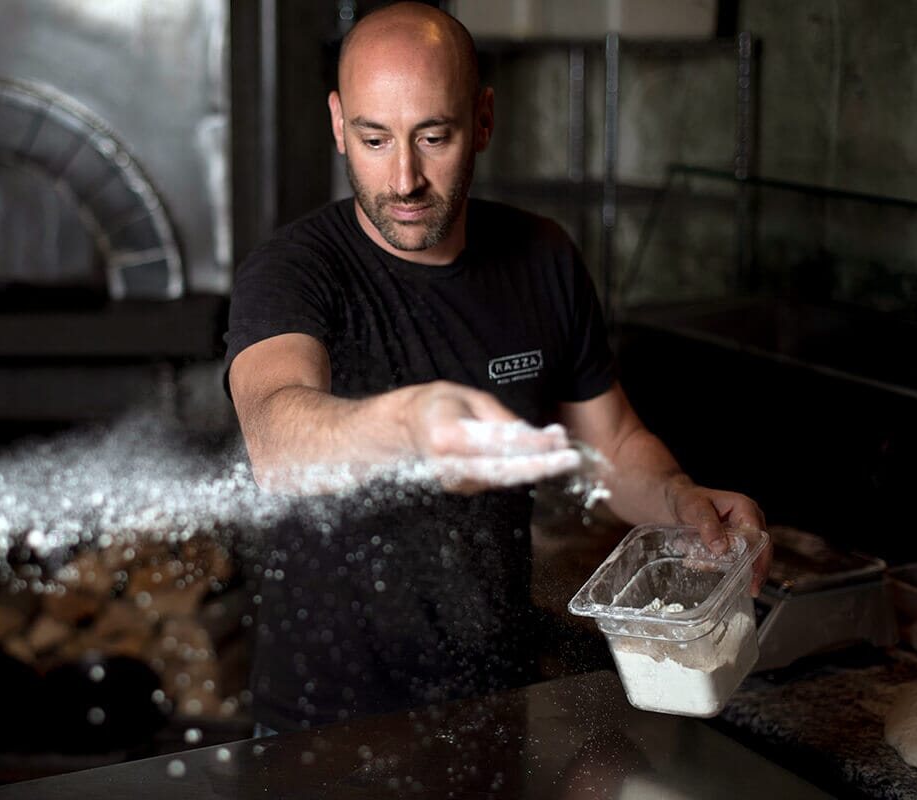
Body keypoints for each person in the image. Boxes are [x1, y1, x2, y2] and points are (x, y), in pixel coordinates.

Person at [224, 1, 770, 733]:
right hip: (328, 727)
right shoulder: (292, 273)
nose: (406, 178)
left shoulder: (542, 257)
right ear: (337, 125)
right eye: (374, 139)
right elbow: (276, 443)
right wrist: (413, 424)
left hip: (496, 704)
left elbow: (609, 447)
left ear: (483, 120)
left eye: (434, 137)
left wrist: (679, 503)